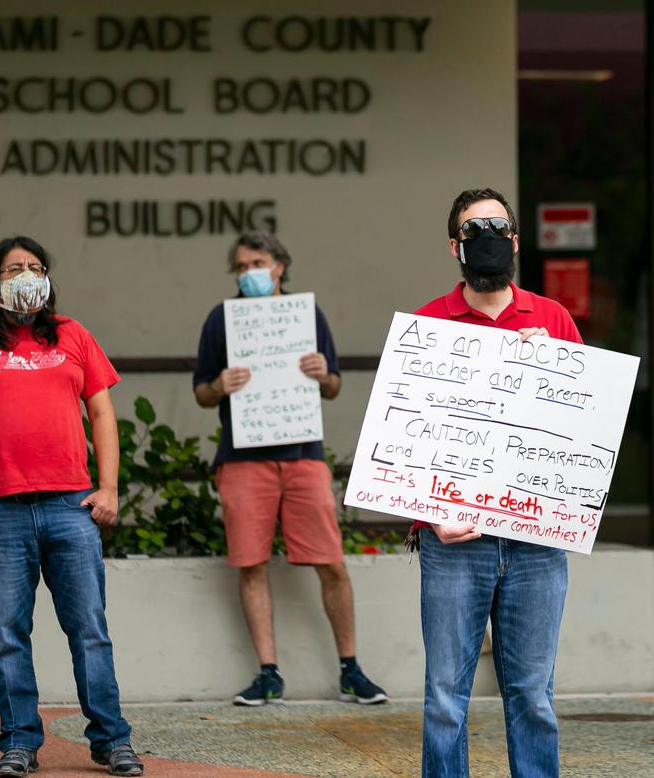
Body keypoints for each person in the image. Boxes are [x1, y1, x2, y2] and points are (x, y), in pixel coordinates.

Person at [0, 236, 143, 778]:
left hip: (71, 506)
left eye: (36, 267)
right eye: (14, 267)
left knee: (89, 629)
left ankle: (112, 741)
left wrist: (108, 487)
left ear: (48, 277)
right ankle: (19, 742)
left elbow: (103, 413)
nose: (25, 275)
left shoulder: (72, 334)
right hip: (1, 512)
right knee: (7, 634)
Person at [409, 188, 583, 778]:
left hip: (535, 543)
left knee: (533, 696)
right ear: (455, 245)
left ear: (514, 240)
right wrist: (428, 511)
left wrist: (552, 367)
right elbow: (406, 436)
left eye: (496, 226)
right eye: (471, 227)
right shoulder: (428, 324)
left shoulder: (553, 319)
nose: (485, 235)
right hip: (454, 542)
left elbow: (582, 431)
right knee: (443, 699)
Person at [193, 230, 386, 706]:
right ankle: (268, 673)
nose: (249, 273)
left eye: (256, 263)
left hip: (302, 454)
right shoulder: (223, 319)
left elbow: (335, 385)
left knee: (331, 562)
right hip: (243, 457)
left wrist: (324, 373)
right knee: (250, 563)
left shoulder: (305, 315)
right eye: (240, 267)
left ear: (279, 265)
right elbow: (201, 392)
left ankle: (350, 669)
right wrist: (220, 385)